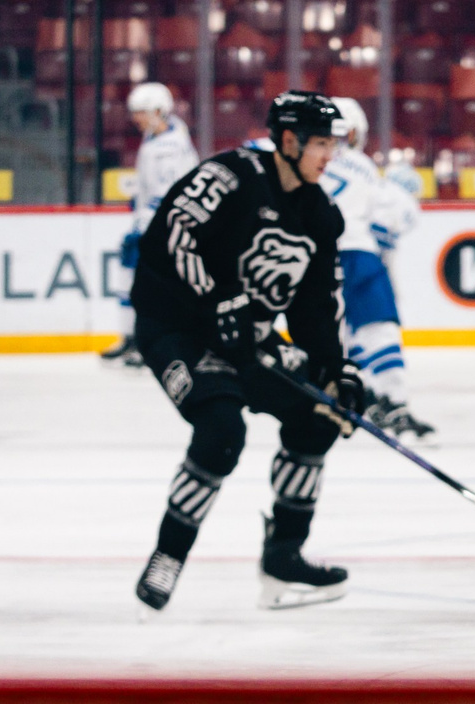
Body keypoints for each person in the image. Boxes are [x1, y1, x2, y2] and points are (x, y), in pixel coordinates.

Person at [129, 90, 368, 614]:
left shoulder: (320, 215)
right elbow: (175, 231)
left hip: (246, 335)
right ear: (289, 140)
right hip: (177, 329)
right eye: (322, 144)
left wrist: (336, 368)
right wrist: (219, 301)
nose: (331, 157)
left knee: (318, 415)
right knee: (221, 431)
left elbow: (317, 305)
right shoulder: (230, 176)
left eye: (335, 145)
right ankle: (168, 555)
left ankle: (283, 553)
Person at [320, 95, 430, 438]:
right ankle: (394, 402)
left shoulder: (307, 161)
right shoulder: (364, 167)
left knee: (343, 334)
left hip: (317, 259)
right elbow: (390, 222)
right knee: (378, 330)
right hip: (358, 253)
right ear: (352, 132)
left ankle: (359, 393)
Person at [104, 82, 197, 368]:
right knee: (130, 280)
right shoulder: (158, 135)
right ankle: (131, 337)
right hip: (155, 223)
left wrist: (143, 225)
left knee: (152, 288)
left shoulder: (170, 146)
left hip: (164, 227)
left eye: (141, 112)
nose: (136, 118)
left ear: (159, 111)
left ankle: (150, 343)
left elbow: (166, 194)